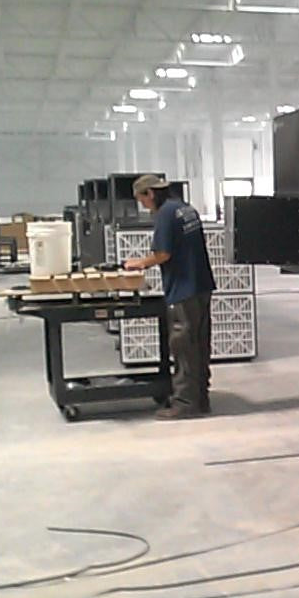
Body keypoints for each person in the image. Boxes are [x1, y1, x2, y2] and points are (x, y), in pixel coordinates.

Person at [125, 174, 216, 419]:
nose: (143, 205)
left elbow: (163, 253)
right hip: (201, 285)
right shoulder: (186, 209)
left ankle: (185, 403)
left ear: (150, 194)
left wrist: (139, 264)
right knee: (199, 345)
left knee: (183, 346)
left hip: (183, 289)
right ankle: (201, 398)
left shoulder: (165, 213)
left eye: (141, 199)